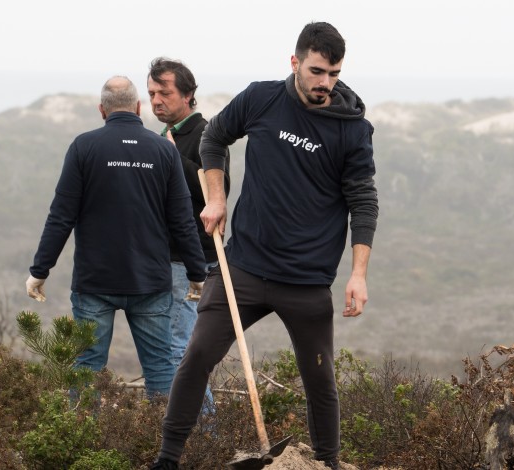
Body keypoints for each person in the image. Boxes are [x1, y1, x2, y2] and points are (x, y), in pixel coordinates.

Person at [151, 22, 378, 470]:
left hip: (307, 281)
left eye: (333, 74)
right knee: (196, 357)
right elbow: (214, 137)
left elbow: (363, 202)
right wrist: (217, 199)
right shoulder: (262, 98)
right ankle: (167, 458)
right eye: (316, 71)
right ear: (294, 62)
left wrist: (358, 273)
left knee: (320, 380)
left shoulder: (352, 130)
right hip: (244, 269)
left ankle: (326, 464)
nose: (324, 83)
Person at [25, 76, 208, 399]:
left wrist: (40, 270)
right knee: (161, 367)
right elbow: (182, 220)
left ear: (102, 110)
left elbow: (61, 215)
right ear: (138, 108)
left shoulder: (84, 147)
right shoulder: (162, 151)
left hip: (95, 281)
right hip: (150, 281)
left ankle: (80, 444)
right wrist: (196, 273)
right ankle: (169, 445)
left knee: (87, 367)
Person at [146, 57, 231, 372]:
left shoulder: (208, 135)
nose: (156, 100)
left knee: (179, 348)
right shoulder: (162, 139)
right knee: (165, 346)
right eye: (152, 93)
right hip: (163, 259)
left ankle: (203, 423)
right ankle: (177, 419)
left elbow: (218, 193)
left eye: (164, 92)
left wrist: (171, 156)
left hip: (194, 261)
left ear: (187, 94)